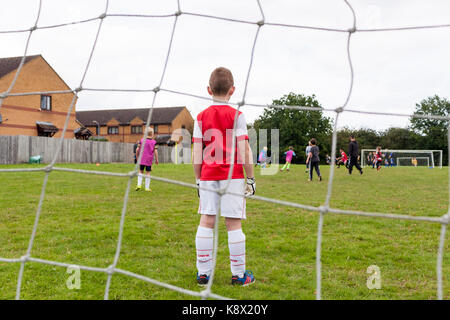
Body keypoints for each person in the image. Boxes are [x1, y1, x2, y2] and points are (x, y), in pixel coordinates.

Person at [192, 67, 255, 287]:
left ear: (208, 89)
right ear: (232, 90)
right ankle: (239, 275)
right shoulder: (238, 115)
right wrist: (251, 179)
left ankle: (203, 274)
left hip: (208, 176)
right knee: (233, 223)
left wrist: (198, 179)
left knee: (206, 220)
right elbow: (244, 149)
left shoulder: (200, 117)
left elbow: (196, 153)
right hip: (233, 176)